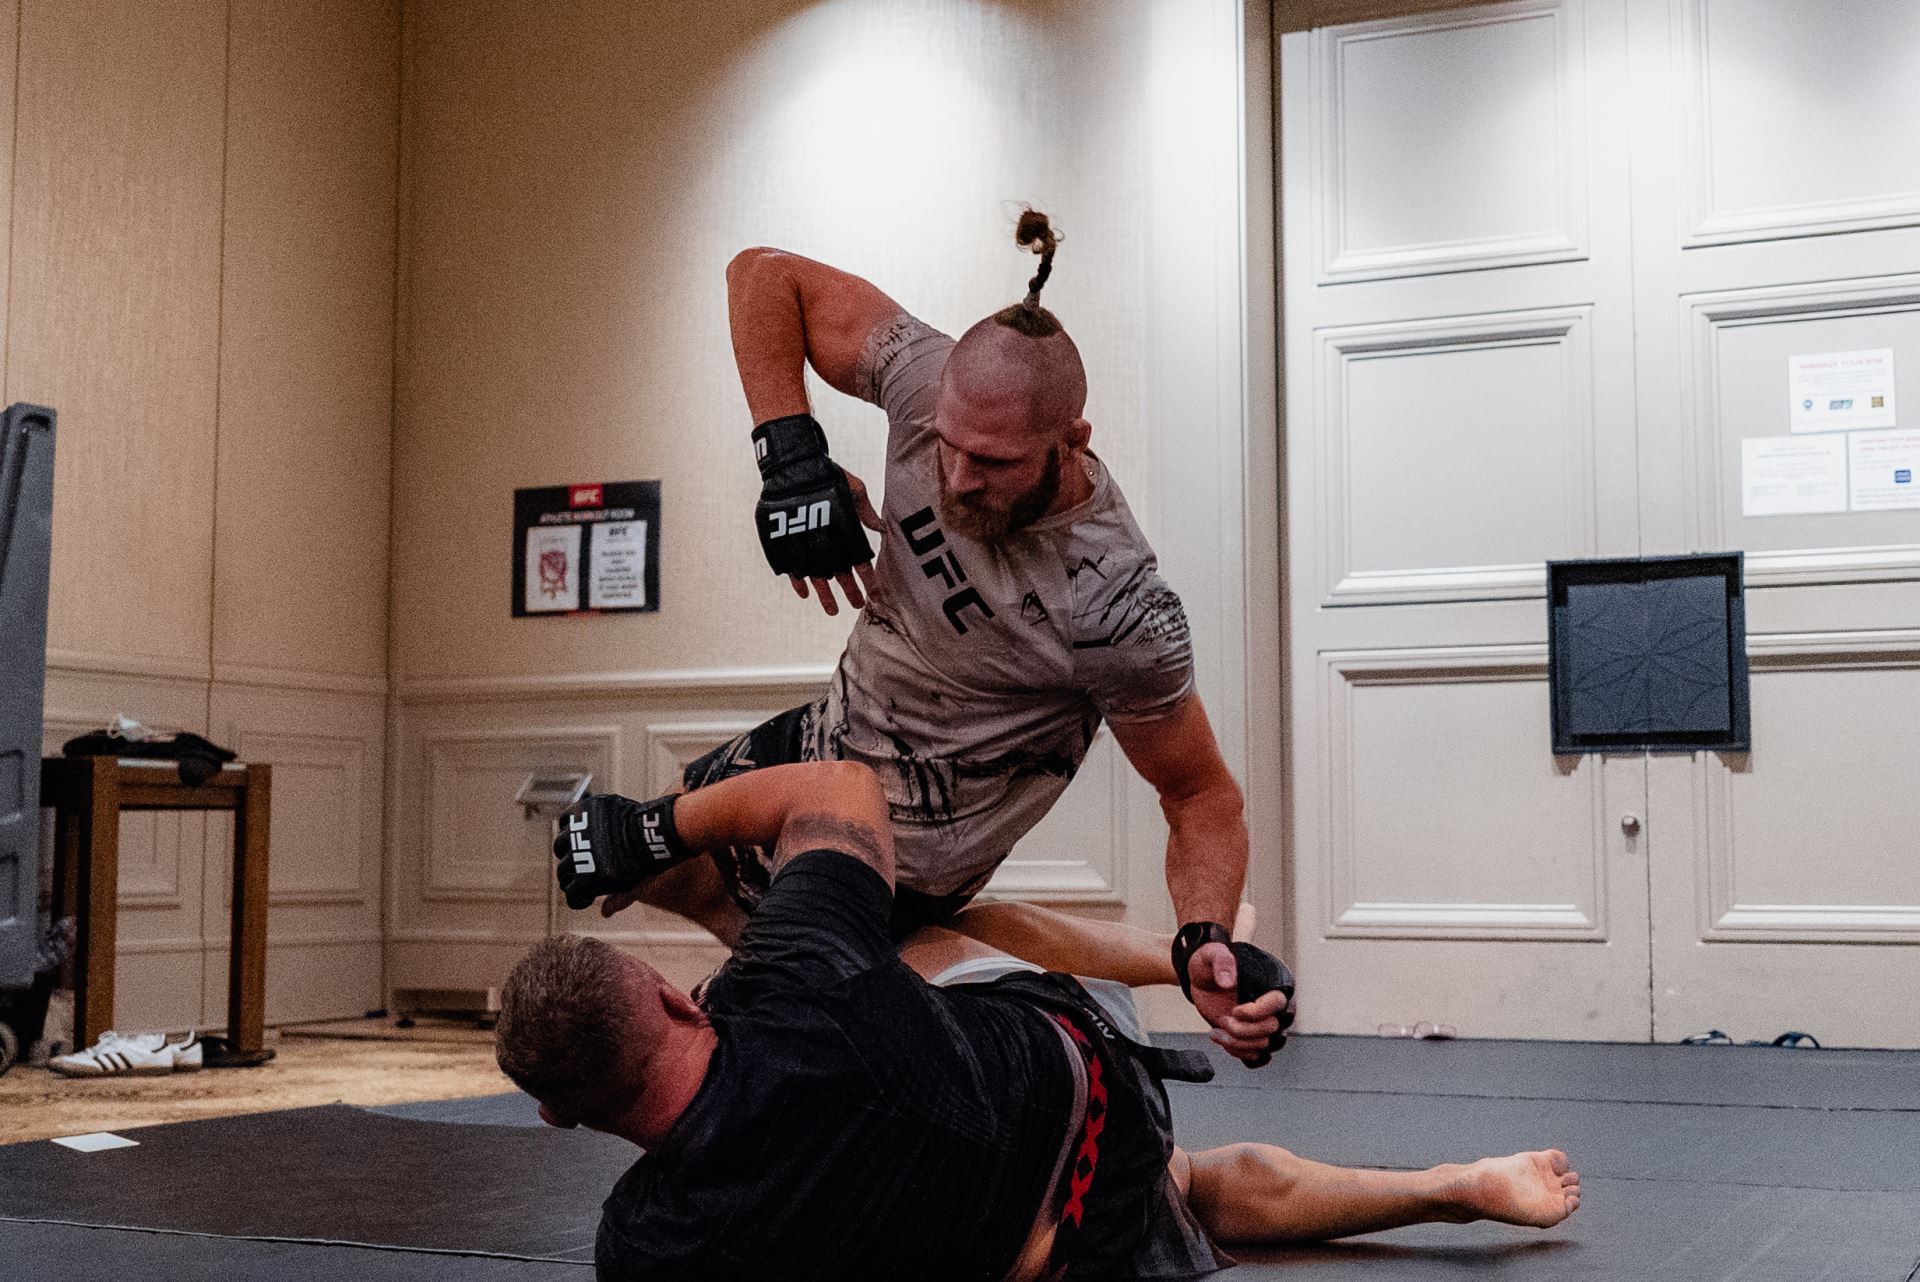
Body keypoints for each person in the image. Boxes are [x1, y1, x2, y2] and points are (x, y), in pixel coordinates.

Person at [578, 210, 1287, 1063]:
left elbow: (1203, 799)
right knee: (613, 854)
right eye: (948, 447)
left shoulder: (1117, 608)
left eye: (992, 462)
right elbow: (763, 275)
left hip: (901, 862)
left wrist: (1202, 926)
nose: (956, 477)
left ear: (1073, 443)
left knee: (756, 1057)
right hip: (809, 757)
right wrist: (790, 452)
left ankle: (1175, 965)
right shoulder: (922, 381)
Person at [517, 761, 1582, 1282]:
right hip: (1090, 1087)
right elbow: (841, 787)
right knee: (931, 917)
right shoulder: (801, 978)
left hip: (1056, 1244)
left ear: (562, 1120)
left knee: (1192, 1191)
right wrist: (657, 826)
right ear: (671, 997)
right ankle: (1184, 964)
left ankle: (1453, 1188)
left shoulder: (646, 1245)